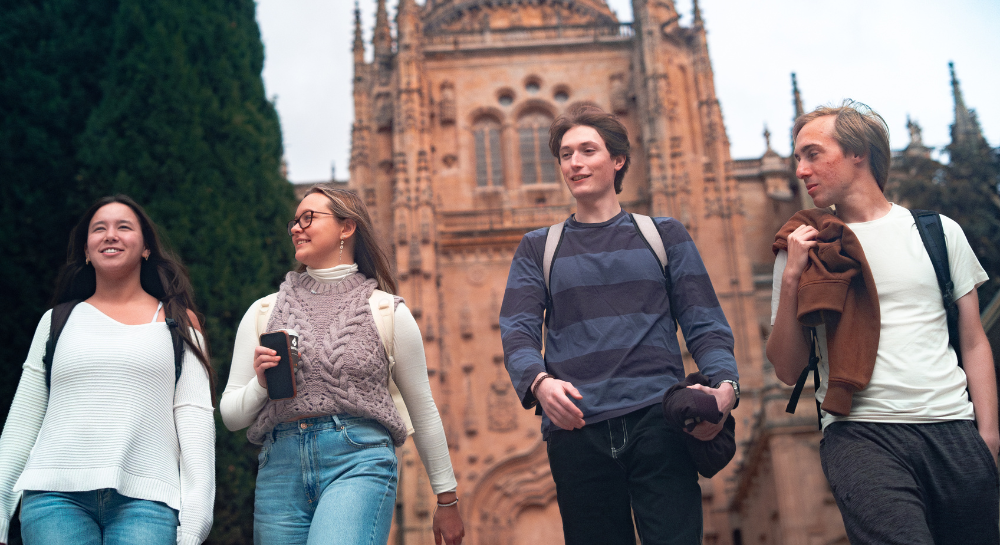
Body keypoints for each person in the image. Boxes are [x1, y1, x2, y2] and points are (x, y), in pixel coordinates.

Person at [499, 104, 739, 544]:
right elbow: (517, 329)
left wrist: (727, 388)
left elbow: (704, 322)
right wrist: (538, 383)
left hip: (658, 423)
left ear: (618, 160)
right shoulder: (538, 248)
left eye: (588, 150)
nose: (575, 162)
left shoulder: (664, 235)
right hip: (576, 431)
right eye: (566, 154)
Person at [767, 101, 999, 544]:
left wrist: (987, 437)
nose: (800, 170)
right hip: (860, 434)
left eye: (812, 154)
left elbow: (973, 341)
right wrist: (794, 274)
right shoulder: (802, 247)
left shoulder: (938, 232)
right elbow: (787, 369)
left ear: (859, 153)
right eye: (797, 157)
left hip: (953, 430)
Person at [220, 185, 464, 545]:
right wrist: (260, 383)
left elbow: (422, 409)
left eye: (309, 218)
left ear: (346, 228)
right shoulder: (262, 312)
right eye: (294, 221)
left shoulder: (387, 312)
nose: (295, 228)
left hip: (359, 460)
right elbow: (230, 416)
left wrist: (447, 498)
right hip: (280, 468)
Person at [0, 195, 216, 545]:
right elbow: (23, 421)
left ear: (146, 247)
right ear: (86, 250)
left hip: (148, 503)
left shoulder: (178, 324)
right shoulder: (56, 322)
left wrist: (195, 520)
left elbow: (195, 420)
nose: (110, 235)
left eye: (124, 227)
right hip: (53, 496)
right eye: (99, 229)